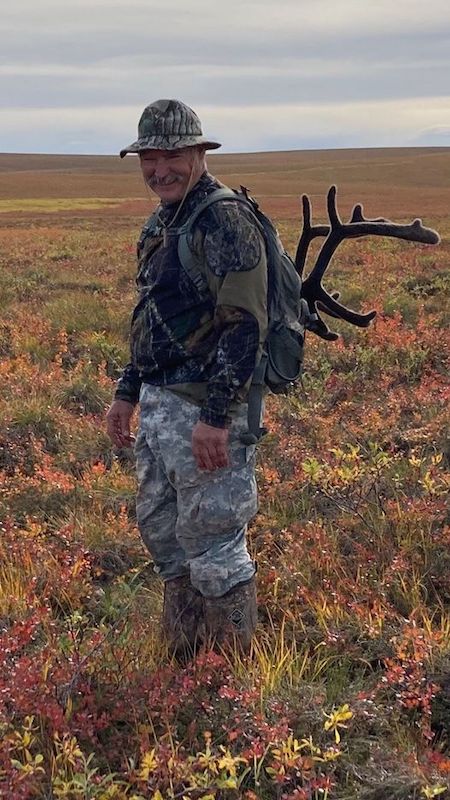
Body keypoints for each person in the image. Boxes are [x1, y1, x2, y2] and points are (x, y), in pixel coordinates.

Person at [106, 99, 268, 659]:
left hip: (204, 411)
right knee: (168, 539)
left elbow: (246, 326)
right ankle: (182, 663)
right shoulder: (162, 220)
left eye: (171, 155)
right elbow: (150, 313)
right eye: (148, 158)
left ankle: (231, 684)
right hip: (159, 405)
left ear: (199, 153)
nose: (159, 170)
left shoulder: (225, 219)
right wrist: (128, 392)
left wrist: (217, 418)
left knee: (217, 540)